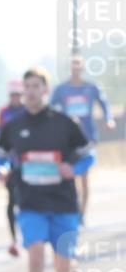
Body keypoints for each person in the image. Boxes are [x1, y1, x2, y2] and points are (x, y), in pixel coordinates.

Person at [0, 66, 93, 272]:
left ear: (45, 90)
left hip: (63, 205)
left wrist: (73, 169)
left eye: (37, 86)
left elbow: (88, 156)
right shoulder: (13, 126)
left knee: (62, 266)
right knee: (35, 258)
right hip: (31, 203)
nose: (31, 92)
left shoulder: (65, 122)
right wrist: (0, 170)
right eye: (27, 87)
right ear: (22, 92)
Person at [50, 54, 115, 222]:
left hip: (87, 138)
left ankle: (81, 215)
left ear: (83, 68)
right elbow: (49, 110)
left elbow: (104, 104)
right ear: (69, 68)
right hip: (67, 140)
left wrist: (109, 119)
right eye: (73, 65)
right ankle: (73, 210)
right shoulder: (61, 89)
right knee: (71, 178)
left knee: (84, 178)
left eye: (78, 65)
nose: (75, 68)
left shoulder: (92, 87)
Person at [0, 79, 26, 257]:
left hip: (29, 164)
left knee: (26, 201)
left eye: (18, 94)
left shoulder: (26, 110)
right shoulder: (4, 112)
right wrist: (1, 164)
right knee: (11, 202)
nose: (15, 97)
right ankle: (13, 239)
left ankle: (27, 235)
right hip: (12, 164)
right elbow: (0, 139)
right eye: (12, 94)